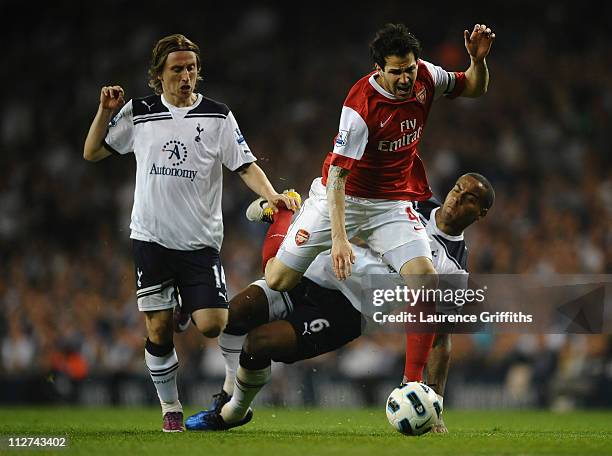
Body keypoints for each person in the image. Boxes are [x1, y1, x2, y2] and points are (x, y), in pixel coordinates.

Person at [82, 34, 299, 432]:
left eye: (191, 68)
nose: (186, 76)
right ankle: (171, 407)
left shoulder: (217, 116)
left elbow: (245, 164)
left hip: (199, 243)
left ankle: (186, 308)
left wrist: (273, 196)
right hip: (150, 238)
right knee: (159, 329)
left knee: (214, 324)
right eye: (177, 69)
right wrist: (103, 111)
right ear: (158, 75)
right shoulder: (140, 112)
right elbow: (92, 151)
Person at [184, 173, 494, 432]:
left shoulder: (454, 268)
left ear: (480, 214)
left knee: (259, 343)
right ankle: (226, 394)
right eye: (457, 189)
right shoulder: (408, 203)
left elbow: (439, 337)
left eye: (469, 199)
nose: (457, 198)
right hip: (313, 271)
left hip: (346, 310)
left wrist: (434, 399)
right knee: (235, 312)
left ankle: (235, 411)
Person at [261, 23, 495, 300]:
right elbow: (337, 177)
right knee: (278, 280)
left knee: (427, 283)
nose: (405, 79)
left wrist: (477, 61)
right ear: (378, 69)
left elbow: (472, 87)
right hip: (344, 200)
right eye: (396, 72)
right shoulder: (362, 108)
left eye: (409, 69)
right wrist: (339, 239)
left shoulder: (427, 76)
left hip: (390, 205)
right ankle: (282, 215)